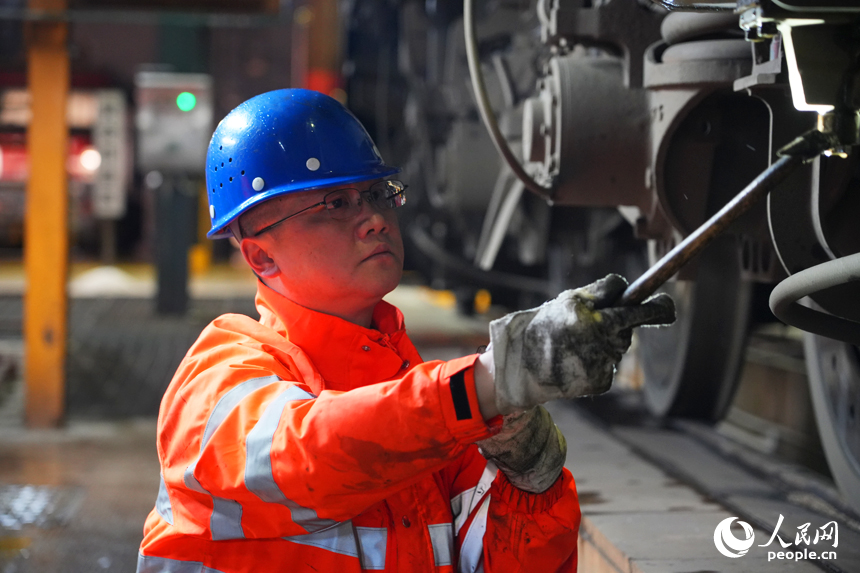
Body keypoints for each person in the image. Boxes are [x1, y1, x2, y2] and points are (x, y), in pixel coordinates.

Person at [137, 89, 675, 572]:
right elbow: (306, 458)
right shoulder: (218, 375)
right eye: (335, 203)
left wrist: (530, 467)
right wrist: (491, 380)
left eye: (376, 194)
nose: (373, 218)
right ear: (259, 254)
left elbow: (517, 562)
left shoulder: (423, 404)